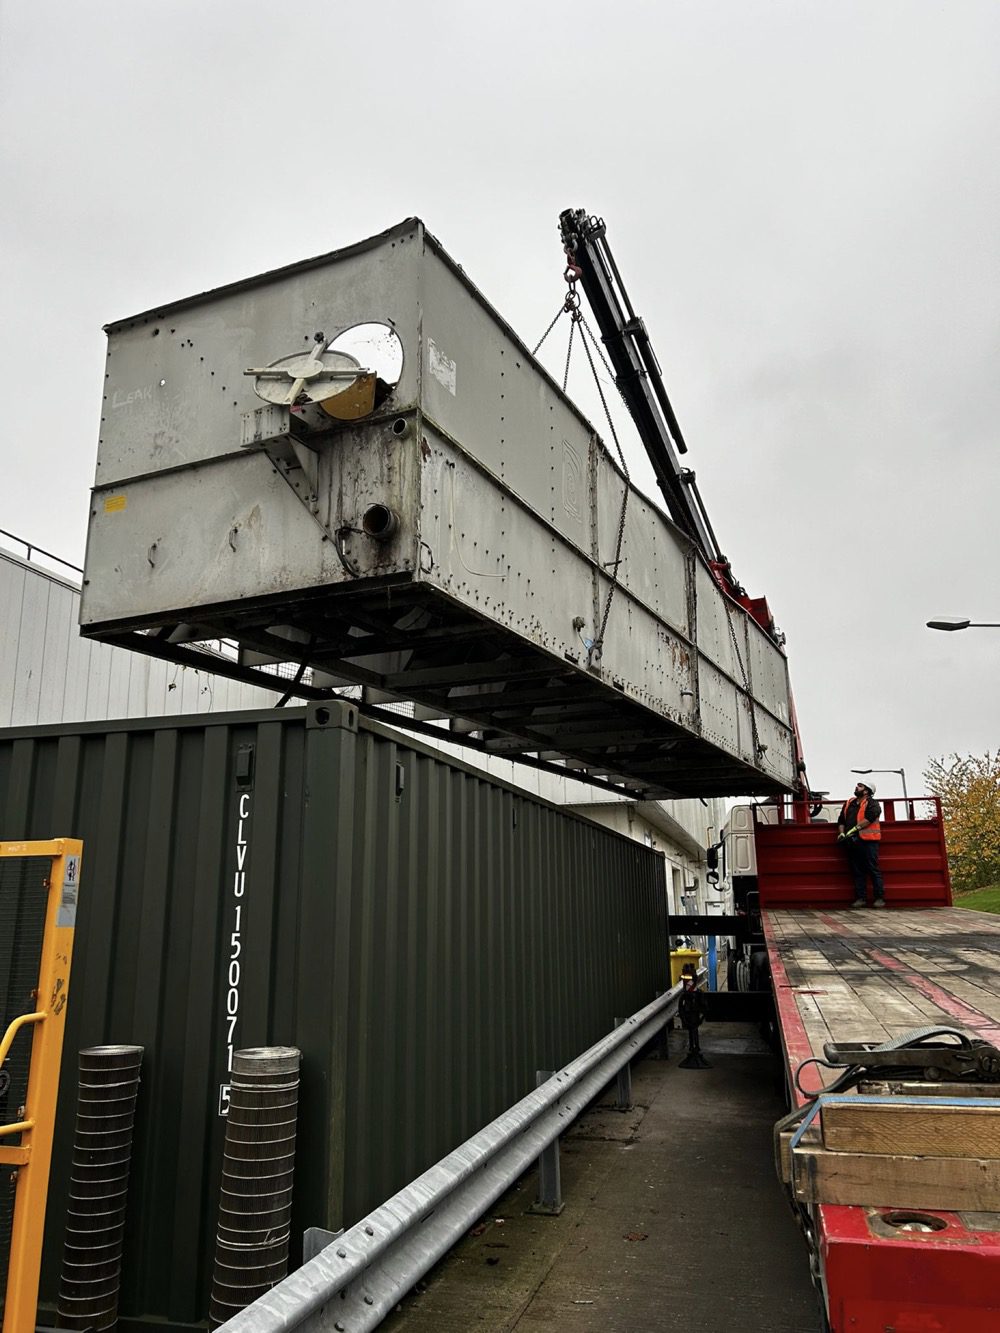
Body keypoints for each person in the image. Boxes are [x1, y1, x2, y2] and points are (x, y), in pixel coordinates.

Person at [837, 780, 885, 908]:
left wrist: (854, 829)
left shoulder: (873, 804)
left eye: (860, 786)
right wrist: (842, 833)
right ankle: (861, 898)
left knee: (872, 869)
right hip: (852, 841)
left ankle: (879, 898)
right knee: (857, 871)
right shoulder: (849, 803)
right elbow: (841, 820)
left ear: (866, 791)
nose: (856, 787)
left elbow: (869, 818)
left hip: (869, 841)